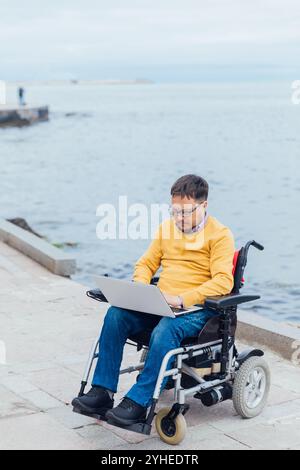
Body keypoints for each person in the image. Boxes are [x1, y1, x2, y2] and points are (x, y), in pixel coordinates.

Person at [72, 174, 235, 425]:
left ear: (204, 206)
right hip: (161, 303)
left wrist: (182, 299)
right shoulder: (167, 229)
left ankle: (139, 401)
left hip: (196, 310)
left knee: (166, 328)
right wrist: (139, 288)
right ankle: (102, 391)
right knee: (116, 314)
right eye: (175, 211)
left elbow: (224, 282)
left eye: (186, 212)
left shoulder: (220, 235)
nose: (179, 217)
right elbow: (146, 263)